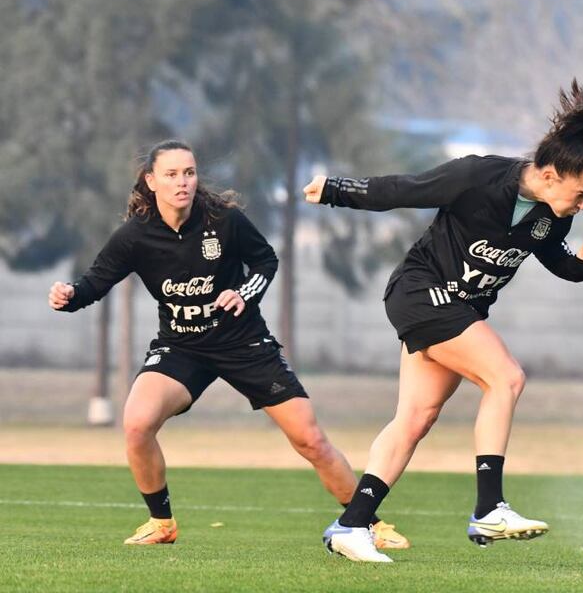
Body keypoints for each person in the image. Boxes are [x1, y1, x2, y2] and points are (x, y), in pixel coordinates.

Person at [305, 80, 583, 562]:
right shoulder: (478, 177)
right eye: (581, 194)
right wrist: (336, 189)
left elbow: (554, 259)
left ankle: (351, 525)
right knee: (506, 377)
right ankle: (489, 507)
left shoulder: (552, 215)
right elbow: (404, 190)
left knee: (415, 418)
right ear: (552, 175)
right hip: (419, 292)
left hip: (460, 310)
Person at [48, 139, 408, 550]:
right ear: (150, 181)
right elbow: (95, 282)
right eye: (171, 174)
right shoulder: (135, 236)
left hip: (244, 342)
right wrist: (68, 295)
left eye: (189, 172)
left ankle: (369, 524)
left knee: (310, 439)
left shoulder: (224, 220)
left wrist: (243, 293)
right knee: (136, 423)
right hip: (181, 347)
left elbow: (265, 261)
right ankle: (161, 523)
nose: (182, 182)